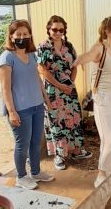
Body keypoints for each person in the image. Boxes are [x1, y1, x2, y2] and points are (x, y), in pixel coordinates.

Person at [0, 20, 54, 189]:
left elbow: (37, 78)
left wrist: (45, 98)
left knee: (36, 141)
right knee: (22, 144)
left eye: (25, 34)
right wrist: (11, 111)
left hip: (36, 105)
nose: (22, 37)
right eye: (18, 34)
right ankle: (21, 176)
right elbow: (5, 88)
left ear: (30, 35)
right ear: (11, 36)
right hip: (20, 109)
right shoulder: (7, 57)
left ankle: (35, 172)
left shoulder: (31, 55)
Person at [73, 17, 111, 187]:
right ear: (108, 31)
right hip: (104, 97)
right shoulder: (99, 48)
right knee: (110, 138)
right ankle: (102, 173)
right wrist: (79, 60)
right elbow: (87, 56)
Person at [37, 15, 91, 171]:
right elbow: (42, 69)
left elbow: (74, 65)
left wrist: (71, 83)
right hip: (53, 91)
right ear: (49, 29)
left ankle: (75, 150)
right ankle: (59, 155)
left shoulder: (69, 46)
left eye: (61, 30)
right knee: (57, 122)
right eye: (54, 29)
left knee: (73, 119)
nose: (58, 32)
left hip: (69, 89)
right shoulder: (43, 47)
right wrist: (60, 85)